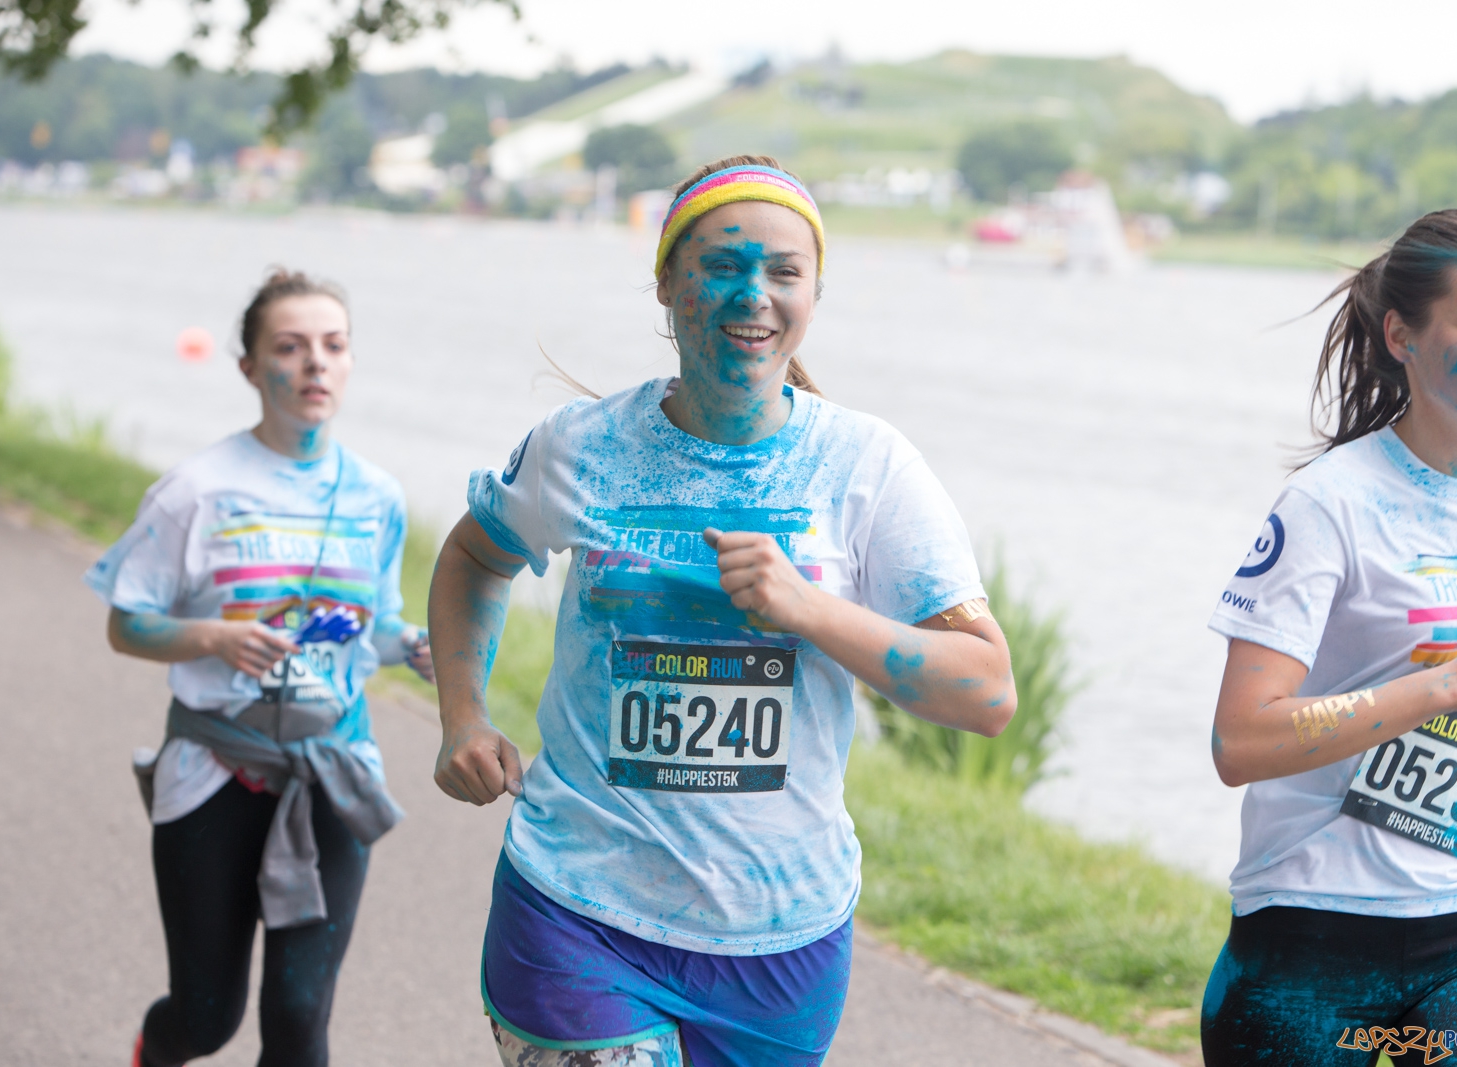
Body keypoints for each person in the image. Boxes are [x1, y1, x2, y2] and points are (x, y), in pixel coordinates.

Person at [429, 155, 1017, 1066]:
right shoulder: (583, 447)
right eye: (722, 265)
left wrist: (810, 610)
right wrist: (462, 714)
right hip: (577, 905)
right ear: (667, 282)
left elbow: (985, 691)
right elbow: (475, 554)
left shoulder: (868, 466)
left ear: (814, 291)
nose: (756, 294)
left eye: (785, 271)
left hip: (781, 937)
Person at [1202, 209, 1457, 1064]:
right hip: (1316, 919)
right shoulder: (1330, 506)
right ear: (1402, 334)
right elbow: (1240, 740)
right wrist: (1446, 686)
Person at [85, 269, 433, 1067]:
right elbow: (125, 624)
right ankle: (156, 1047)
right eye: (290, 346)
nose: (315, 363)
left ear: (349, 363)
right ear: (249, 367)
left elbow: (366, 628)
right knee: (208, 1014)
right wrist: (213, 638)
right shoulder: (194, 492)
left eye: (333, 346)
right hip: (214, 770)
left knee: (300, 1013)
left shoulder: (376, 496)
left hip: (333, 766)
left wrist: (411, 645)